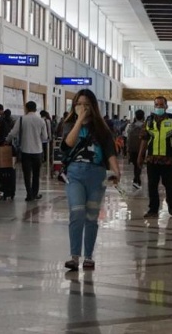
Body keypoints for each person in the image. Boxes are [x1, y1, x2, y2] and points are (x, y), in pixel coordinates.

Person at [60, 89, 121, 270]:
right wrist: (79, 120)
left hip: (96, 175)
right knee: (77, 211)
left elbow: (110, 151)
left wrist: (116, 171)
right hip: (75, 174)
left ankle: (88, 256)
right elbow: (66, 146)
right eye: (79, 104)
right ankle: (74, 256)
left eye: (87, 105)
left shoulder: (102, 129)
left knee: (91, 216)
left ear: (93, 107)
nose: (83, 108)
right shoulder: (69, 125)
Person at [137, 96, 172, 218]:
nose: (159, 107)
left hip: (168, 159)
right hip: (152, 159)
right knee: (152, 185)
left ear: (166, 106)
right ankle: (153, 209)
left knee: (169, 185)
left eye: (161, 105)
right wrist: (140, 155)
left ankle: (170, 201)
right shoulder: (149, 121)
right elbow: (144, 139)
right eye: (156, 105)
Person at [8, 101, 49, 201]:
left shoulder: (22, 119)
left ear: (26, 108)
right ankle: (35, 194)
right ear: (35, 109)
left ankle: (29, 195)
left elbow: (13, 133)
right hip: (38, 151)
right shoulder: (41, 121)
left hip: (25, 151)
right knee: (36, 174)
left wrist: (6, 140)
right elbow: (45, 137)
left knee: (27, 174)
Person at [125, 109, 146, 189]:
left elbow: (128, 138)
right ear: (143, 117)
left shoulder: (130, 126)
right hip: (141, 149)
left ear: (135, 116)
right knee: (139, 164)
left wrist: (127, 149)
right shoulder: (145, 126)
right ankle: (137, 179)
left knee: (135, 164)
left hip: (132, 149)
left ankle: (136, 178)